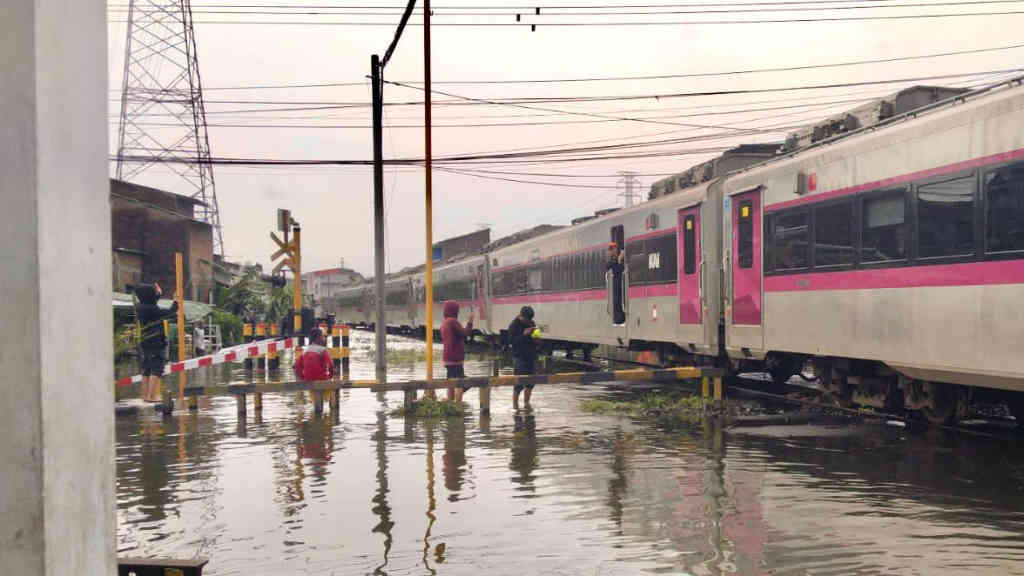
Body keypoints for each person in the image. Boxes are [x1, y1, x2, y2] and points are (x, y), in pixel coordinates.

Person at [134, 283, 178, 402]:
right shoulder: (153, 310)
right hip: (156, 342)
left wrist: (159, 294)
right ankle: (152, 396)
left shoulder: (140, 307)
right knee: (157, 368)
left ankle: (145, 396)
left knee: (147, 369)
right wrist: (176, 301)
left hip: (145, 342)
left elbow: (151, 302)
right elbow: (170, 313)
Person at [440, 300, 473, 402]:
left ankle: (450, 403)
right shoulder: (452, 322)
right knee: (460, 383)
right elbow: (465, 333)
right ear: (454, 310)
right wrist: (470, 322)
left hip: (447, 358)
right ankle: (458, 405)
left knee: (450, 383)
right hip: (455, 358)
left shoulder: (445, 323)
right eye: (457, 310)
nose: (458, 312)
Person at [507, 306, 538, 409]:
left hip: (531, 356)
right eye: (527, 319)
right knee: (518, 383)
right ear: (521, 316)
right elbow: (511, 341)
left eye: (530, 319)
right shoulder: (514, 325)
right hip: (519, 356)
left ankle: (526, 404)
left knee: (530, 383)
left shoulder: (531, 323)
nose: (529, 321)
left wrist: (536, 337)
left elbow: (536, 340)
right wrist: (524, 335)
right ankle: (515, 405)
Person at [607, 242, 626, 325]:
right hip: (614, 286)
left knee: (618, 300)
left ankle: (620, 317)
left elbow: (621, 268)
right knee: (616, 301)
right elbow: (616, 269)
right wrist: (619, 259)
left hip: (619, 285)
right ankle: (618, 318)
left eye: (615, 248)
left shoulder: (615, 259)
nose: (614, 250)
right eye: (612, 249)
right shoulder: (609, 261)